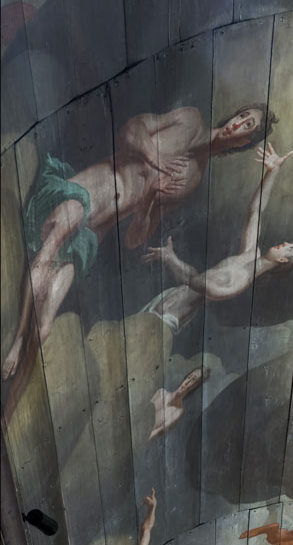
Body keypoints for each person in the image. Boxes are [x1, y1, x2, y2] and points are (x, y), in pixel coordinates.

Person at [3, 104, 275, 408]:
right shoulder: (190, 119)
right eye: (242, 116)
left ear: (243, 142)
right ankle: (18, 338)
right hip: (79, 195)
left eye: (247, 127)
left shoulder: (192, 180)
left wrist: (148, 198)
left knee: (45, 327)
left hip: (91, 235)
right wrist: (156, 159)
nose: (238, 124)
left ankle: (9, 409)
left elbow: (135, 239)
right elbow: (129, 131)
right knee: (53, 244)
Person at [141, 144, 293, 334]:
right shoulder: (251, 253)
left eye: (291, 248)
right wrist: (273, 172)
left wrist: (170, 258)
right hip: (166, 299)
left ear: (283, 260)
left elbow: (191, 280)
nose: (286, 243)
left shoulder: (238, 282)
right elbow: (255, 211)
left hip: (170, 316)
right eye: (291, 243)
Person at [148, 366, 211, 442]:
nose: (187, 382)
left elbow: (156, 433)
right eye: (189, 377)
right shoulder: (161, 392)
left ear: (195, 386)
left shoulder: (178, 410)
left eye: (193, 380)